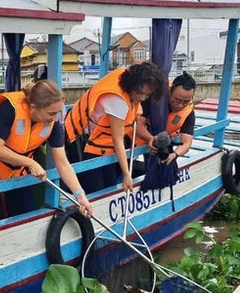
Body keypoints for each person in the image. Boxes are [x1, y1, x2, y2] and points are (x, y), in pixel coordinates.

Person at [0, 79, 93, 222]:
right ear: (33, 107)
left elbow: (62, 162)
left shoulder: (52, 122)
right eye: (51, 113)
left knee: (28, 217)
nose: (55, 118)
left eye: (58, 113)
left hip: (18, 176)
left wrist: (80, 195)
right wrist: (30, 163)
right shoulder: (9, 109)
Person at [64, 62, 166, 194]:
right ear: (131, 85)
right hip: (83, 142)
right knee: (94, 190)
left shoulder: (128, 81)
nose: (142, 98)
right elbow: (117, 140)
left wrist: (148, 137)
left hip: (104, 145)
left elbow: (131, 120)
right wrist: (127, 174)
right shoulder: (117, 100)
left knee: (110, 184)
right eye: (140, 93)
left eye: (147, 95)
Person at [138, 72, 197, 164]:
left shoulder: (189, 113)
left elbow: (186, 143)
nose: (180, 105)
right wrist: (150, 139)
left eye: (185, 102)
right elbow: (138, 125)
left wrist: (174, 154)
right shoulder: (153, 99)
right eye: (176, 100)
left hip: (159, 144)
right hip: (134, 138)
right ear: (170, 92)